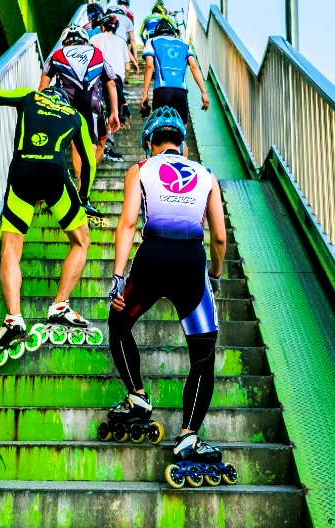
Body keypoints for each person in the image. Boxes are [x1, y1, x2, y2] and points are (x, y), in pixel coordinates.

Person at [107, 107, 227, 468]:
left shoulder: (140, 169)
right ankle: (189, 435)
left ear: (149, 144)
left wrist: (118, 280)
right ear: (184, 146)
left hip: (152, 257)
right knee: (203, 355)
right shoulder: (207, 175)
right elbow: (219, 238)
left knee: (119, 324)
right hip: (192, 263)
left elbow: (128, 224)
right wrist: (215, 277)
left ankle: (138, 396)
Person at [0, 85, 98, 354]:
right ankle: (59, 306)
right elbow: (88, 162)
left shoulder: (29, 95)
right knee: (81, 242)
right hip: (55, 175)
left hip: (22, 172)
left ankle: (13, 318)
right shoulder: (74, 114)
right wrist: (84, 197)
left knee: (11, 246)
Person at [39, 25, 120, 194]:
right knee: (97, 145)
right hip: (93, 106)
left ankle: (83, 184)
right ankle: (84, 190)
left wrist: (40, 109)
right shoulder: (97, 53)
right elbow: (111, 83)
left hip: (67, 105)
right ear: (85, 40)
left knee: (80, 146)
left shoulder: (56, 55)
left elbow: (43, 85)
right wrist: (115, 112)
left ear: (65, 41)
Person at [140, 19, 209, 123]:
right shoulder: (185, 45)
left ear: (157, 33)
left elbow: (150, 66)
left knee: (159, 128)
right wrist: (204, 92)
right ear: (173, 32)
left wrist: (145, 93)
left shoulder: (152, 42)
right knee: (182, 130)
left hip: (161, 90)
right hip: (181, 91)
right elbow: (194, 67)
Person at [91, 12, 137, 162]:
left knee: (98, 110)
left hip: (97, 78)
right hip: (116, 79)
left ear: (102, 27)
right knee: (113, 112)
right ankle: (106, 146)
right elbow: (128, 67)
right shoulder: (121, 41)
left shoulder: (95, 38)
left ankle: (94, 142)